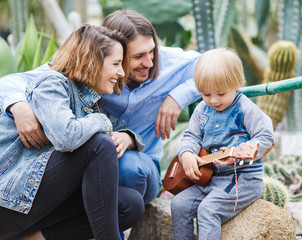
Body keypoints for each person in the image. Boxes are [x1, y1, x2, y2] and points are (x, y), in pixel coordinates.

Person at [0, 10, 202, 205]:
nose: (149, 62)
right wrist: (19, 106)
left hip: (140, 165)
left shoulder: (171, 63)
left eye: (152, 51)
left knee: (125, 168)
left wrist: (176, 97)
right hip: (90, 166)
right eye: (138, 56)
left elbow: (220, 68)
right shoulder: (93, 67)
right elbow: (14, 81)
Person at [0, 24, 144, 240]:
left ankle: (34, 238)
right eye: (115, 64)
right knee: (99, 145)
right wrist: (101, 121)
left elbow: (110, 129)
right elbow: (67, 137)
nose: (121, 73)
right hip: (8, 203)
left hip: (32, 205)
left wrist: (128, 137)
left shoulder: (88, 100)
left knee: (129, 204)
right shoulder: (52, 84)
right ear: (93, 61)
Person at [170, 48, 275, 240]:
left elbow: (265, 136)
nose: (213, 100)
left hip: (242, 181)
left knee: (208, 210)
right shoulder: (202, 109)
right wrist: (186, 153)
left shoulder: (245, 108)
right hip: (209, 178)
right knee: (179, 205)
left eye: (220, 93)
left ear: (236, 83)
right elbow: (191, 136)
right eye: (206, 94)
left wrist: (241, 152)